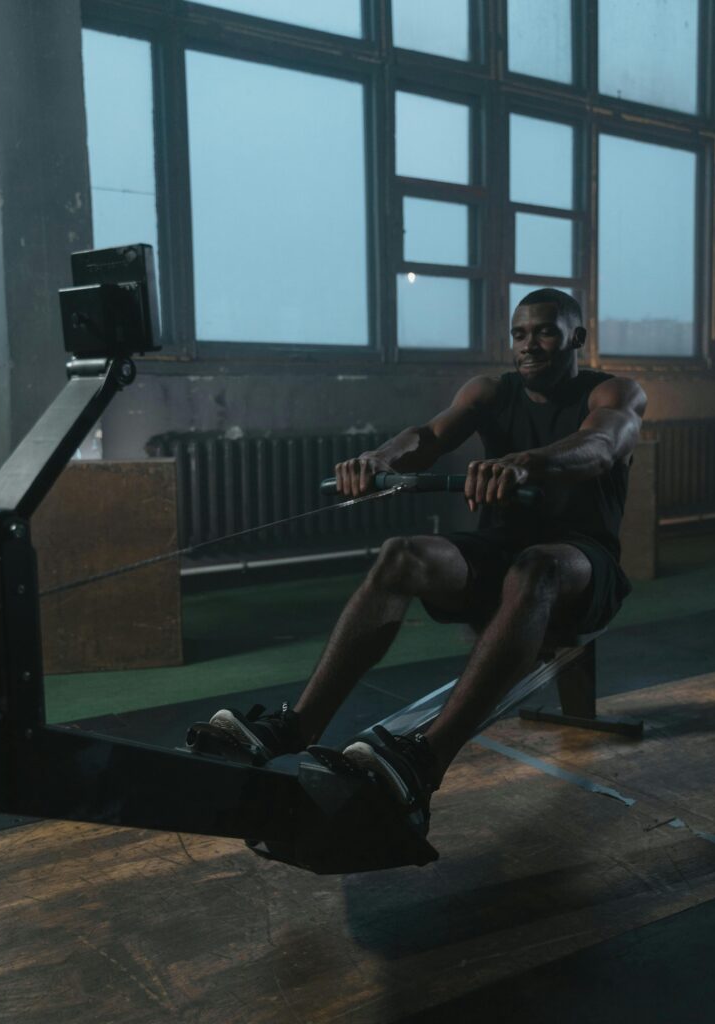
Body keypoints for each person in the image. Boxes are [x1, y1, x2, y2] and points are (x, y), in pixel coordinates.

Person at [207, 288, 646, 825]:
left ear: (576, 338)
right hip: (499, 557)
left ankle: (426, 760)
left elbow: (602, 446)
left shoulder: (614, 392)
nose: (529, 345)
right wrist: (378, 458)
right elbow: (429, 437)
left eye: (546, 332)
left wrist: (525, 463)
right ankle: (296, 726)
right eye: (520, 334)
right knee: (401, 555)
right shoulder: (490, 391)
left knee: (538, 566)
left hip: (581, 564)